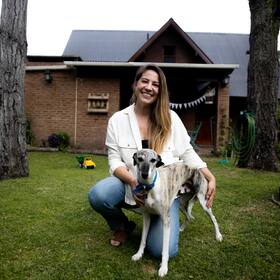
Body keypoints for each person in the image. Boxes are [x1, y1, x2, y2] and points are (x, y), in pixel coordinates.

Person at [88, 64, 217, 258]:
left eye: (155, 84)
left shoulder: (170, 118)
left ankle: (159, 219)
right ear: (135, 84)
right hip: (129, 182)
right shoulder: (117, 119)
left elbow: (187, 151)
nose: (149, 87)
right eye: (145, 81)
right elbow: (114, 161)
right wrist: (133, 183)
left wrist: (210, 176)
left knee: (161, 251)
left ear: (160, 90)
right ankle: (122, 226)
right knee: (99, 195)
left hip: (163, 192)